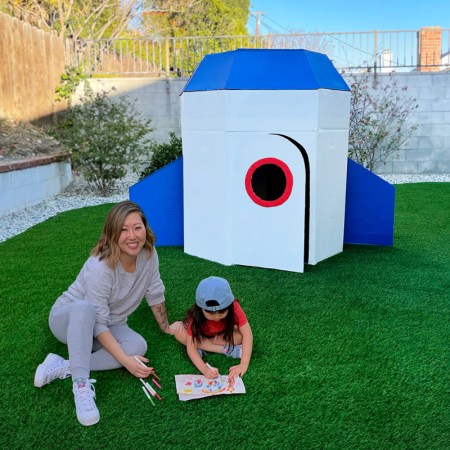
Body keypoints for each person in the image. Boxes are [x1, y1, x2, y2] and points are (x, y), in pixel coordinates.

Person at [33, 201, 176, 427]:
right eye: (123, 229)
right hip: (69, 321)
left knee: (137, 347)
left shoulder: (149, 254)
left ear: (145, 228)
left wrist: (166, 327)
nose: (132, 236)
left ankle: (65, 365)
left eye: (137, 227)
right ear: (112, 233)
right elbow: (97, 321)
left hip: (110, 323)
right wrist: (126, 363)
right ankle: (80, 385)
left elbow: (154, 289)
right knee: (84, 308)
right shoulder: (100, 266)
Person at [173, 276, 253, 380]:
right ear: (200, 308)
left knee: (240, 336)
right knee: (179, 333)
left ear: (229, 305)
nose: (216, 317)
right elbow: (191, 347)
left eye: (222, 312)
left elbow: (248, 334)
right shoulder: (195, 315)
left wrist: (243, 364)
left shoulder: (235, 307)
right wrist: (205, 370)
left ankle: (202, 347)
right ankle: (225, 350)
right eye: (210, 313)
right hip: (202, 336)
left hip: (219, 336)